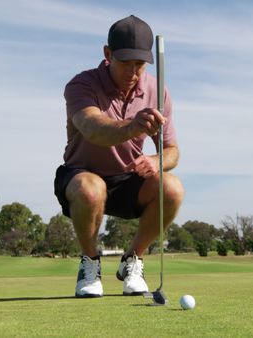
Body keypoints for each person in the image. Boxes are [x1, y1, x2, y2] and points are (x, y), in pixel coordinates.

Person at [54, 15, 184, 298]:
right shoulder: (82, 85)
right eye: (126, 63)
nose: (133, 72)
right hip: (82, 174)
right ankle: (90, 263)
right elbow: (93, 129)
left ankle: (132, 260)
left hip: (129, 180)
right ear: (107, 54)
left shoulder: (156, 90)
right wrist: (134, 126)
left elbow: (172, 151)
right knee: (90, 189)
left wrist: (155, 161)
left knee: (172, 187)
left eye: (140, 64)